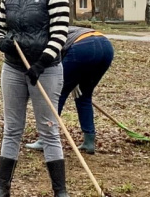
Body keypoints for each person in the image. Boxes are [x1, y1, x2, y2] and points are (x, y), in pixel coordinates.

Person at [0, 0, 72, 197]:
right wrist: (1, 42)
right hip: (13, 67)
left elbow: (59, 34)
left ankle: (60, 191)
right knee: (12, 128)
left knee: (48, 129)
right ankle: (2, 187)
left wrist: (40, 64)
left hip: (45, 70)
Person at [24, 24, 114, 154]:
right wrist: (75, 80)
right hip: (105, 46)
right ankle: (89, 142)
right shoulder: (65, 28)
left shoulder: (46, 36)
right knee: (84, 96)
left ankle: (45, 139)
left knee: (57, 93)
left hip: (82, 47)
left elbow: (53, 60)